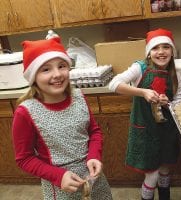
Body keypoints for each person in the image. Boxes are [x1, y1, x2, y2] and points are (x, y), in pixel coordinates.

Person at [12, 37, 112, 200]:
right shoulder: (26, 112)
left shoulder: (79, 97)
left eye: (62, 66)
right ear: (33, 76)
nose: (57, 74)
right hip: (60, 187)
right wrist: (59, 176)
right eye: (46, 69)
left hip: (94, 179)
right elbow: (24, 158)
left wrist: (94, 155)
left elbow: (94, 131)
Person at [109, 28, 181, 200]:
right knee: (152, 174)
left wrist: (168, 103)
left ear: (172, 52)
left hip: (166, 131)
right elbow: (114, 84)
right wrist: (143, 92)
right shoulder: (139, 68)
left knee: (165, 170)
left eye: (166, 47)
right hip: (146, 131)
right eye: (156, 48)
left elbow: (179, 103)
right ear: (149, 53)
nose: (161, 52)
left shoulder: (176, 76)